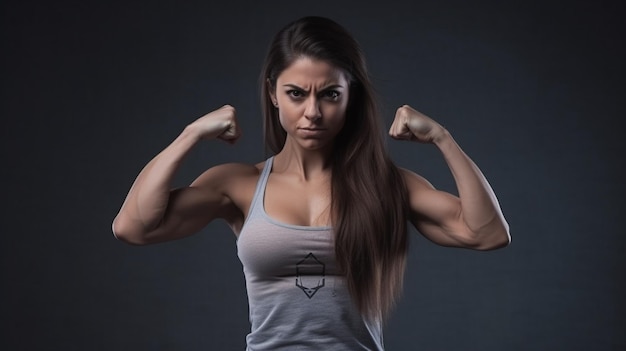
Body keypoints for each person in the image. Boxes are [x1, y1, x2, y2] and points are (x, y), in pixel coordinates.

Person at [112, 16, 510, 351]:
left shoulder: (388, 186)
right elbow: (133, 226)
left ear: (350, 96)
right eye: (296, 94)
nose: (312, 112)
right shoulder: (239, 184)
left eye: (330, 95)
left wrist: (442, 137)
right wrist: (191, 134)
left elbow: (488, 233)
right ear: (273, 94)